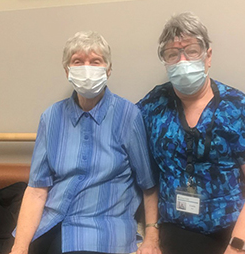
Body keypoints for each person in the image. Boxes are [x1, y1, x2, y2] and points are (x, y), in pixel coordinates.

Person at [136, 12, 245, 254]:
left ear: (208, 56)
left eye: (192, 50)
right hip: (182, 227)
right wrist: (152, 232)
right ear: (165, 63)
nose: (182, 61)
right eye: (172, 54)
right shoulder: (153, 105)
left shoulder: (239, 107)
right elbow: (123, 138)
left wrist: (238, 247)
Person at [10, 31, 161, 254]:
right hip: (51, 224)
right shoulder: (51, 118)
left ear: (108, 70)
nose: (87, 68)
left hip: (102, 230)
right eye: (78, 62)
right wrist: (18, 248)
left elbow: (148, 185)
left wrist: (151, 237)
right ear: (67, 70)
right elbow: (36, 190)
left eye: (95, 61)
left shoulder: (128, 115)